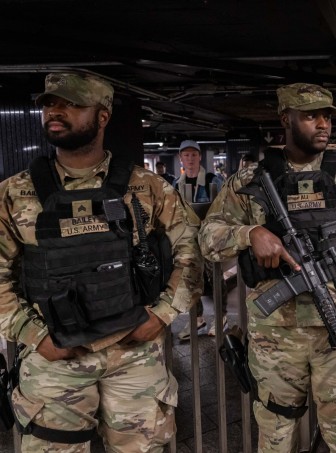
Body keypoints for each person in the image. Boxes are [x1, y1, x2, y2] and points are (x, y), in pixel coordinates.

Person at [0, 72, 203, 451]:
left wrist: (161, 313)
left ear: (103, 116)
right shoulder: (14, 193)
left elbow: (191, 253)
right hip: (54, 359)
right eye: (48, 104)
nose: (54, 112)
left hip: (135, 356)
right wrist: (33, 334)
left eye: (71, 104)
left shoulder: (149, 187)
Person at [198, 82, 336, 451]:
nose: (322, 124)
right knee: (275, 439)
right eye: (310, 116)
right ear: (285, 119)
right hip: (274, 338)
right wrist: (250, 233)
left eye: (326, 116)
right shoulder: (249, 181)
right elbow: (208, 238)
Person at [174, 139, 224, 339]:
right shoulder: (177, 184)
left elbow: (223, 207)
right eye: (186, 155)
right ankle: (198, 318)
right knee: (191, 278)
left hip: (210, 238)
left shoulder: (214, 180)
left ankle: (222, 316)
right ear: (181, 159)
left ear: (200, 156)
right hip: (188, 239)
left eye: (194, 155)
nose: (190, 159)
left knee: (215, 276)